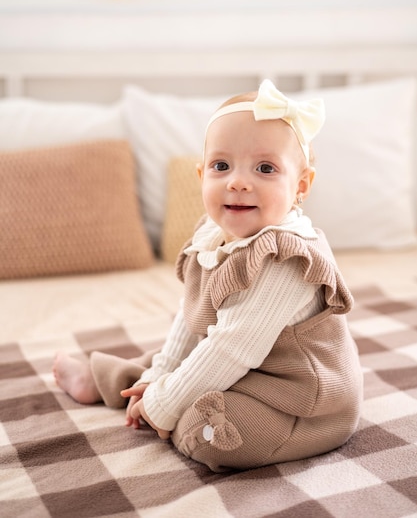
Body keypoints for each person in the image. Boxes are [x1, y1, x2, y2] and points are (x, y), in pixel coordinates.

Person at [54, 79, 363, 472]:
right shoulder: (215, 238)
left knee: (210, 430)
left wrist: (165, 405)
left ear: (301, 186)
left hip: (300, 402)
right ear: (202, 175)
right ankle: (114, 380)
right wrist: (162, 373)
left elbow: (232, 348)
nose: (237, 181)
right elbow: (193, 316)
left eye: (265, 168)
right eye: (221, 166)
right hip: (244, 367)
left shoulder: (288, 258)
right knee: (176, 359)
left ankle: (150, 394)